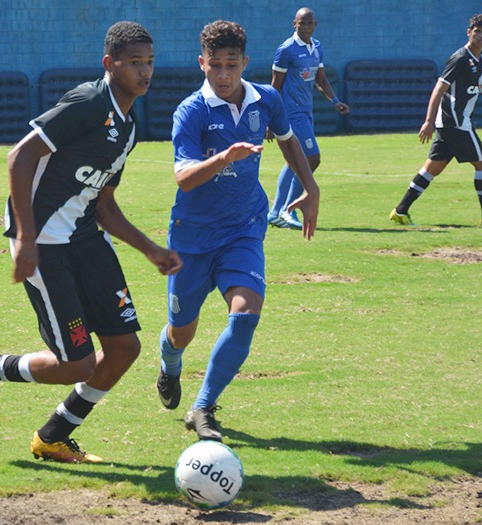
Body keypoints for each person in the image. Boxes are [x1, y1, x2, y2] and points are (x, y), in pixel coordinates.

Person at [0, 21, 182, 463]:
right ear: (110, 64)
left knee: (125, 348)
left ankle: (54, 435)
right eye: (134, 63)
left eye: (149, 62)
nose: (145, 72)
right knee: (76, 365)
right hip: (44, 243)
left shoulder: (129, 127)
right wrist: (26, 237)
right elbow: (20, 156)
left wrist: (150, 249)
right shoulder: (88, 102)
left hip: (85, 240)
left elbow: (105, 204)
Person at [155, 20, 319, 441]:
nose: (223, 74)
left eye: (232, 65)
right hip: (192, 236)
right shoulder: (191, 111)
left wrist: (311, 186)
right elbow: (184, 179)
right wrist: (225, 157)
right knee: (181, 332)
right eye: (215, 65)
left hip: (244, 227)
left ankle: (203, 407)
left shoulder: (266, 99)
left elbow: (288, 139)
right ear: (202, 63)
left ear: (245, 63)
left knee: (245, 314)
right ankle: (170, 363)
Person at [390, 13, 482, 227]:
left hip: (455, 122)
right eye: (477, 31)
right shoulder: (460, 58)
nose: (481, 36)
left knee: (433, 168)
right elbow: (439, 89)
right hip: (455, 122)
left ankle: (400, 211)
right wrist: (428, 121)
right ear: (468, 33)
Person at [267, 7, 348, 230]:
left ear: (315, 25)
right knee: (312, 158)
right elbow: (275, 86)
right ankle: (288, 210)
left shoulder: (317, 47)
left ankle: (274, 213)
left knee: (293, 162)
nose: (305, 27)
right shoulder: (286, 50)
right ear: (294, 24)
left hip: (306, 112)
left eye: (309, 23)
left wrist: (335, 101)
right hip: (290, 114)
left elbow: (321, 80)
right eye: (301, 23)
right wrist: (270, 119)